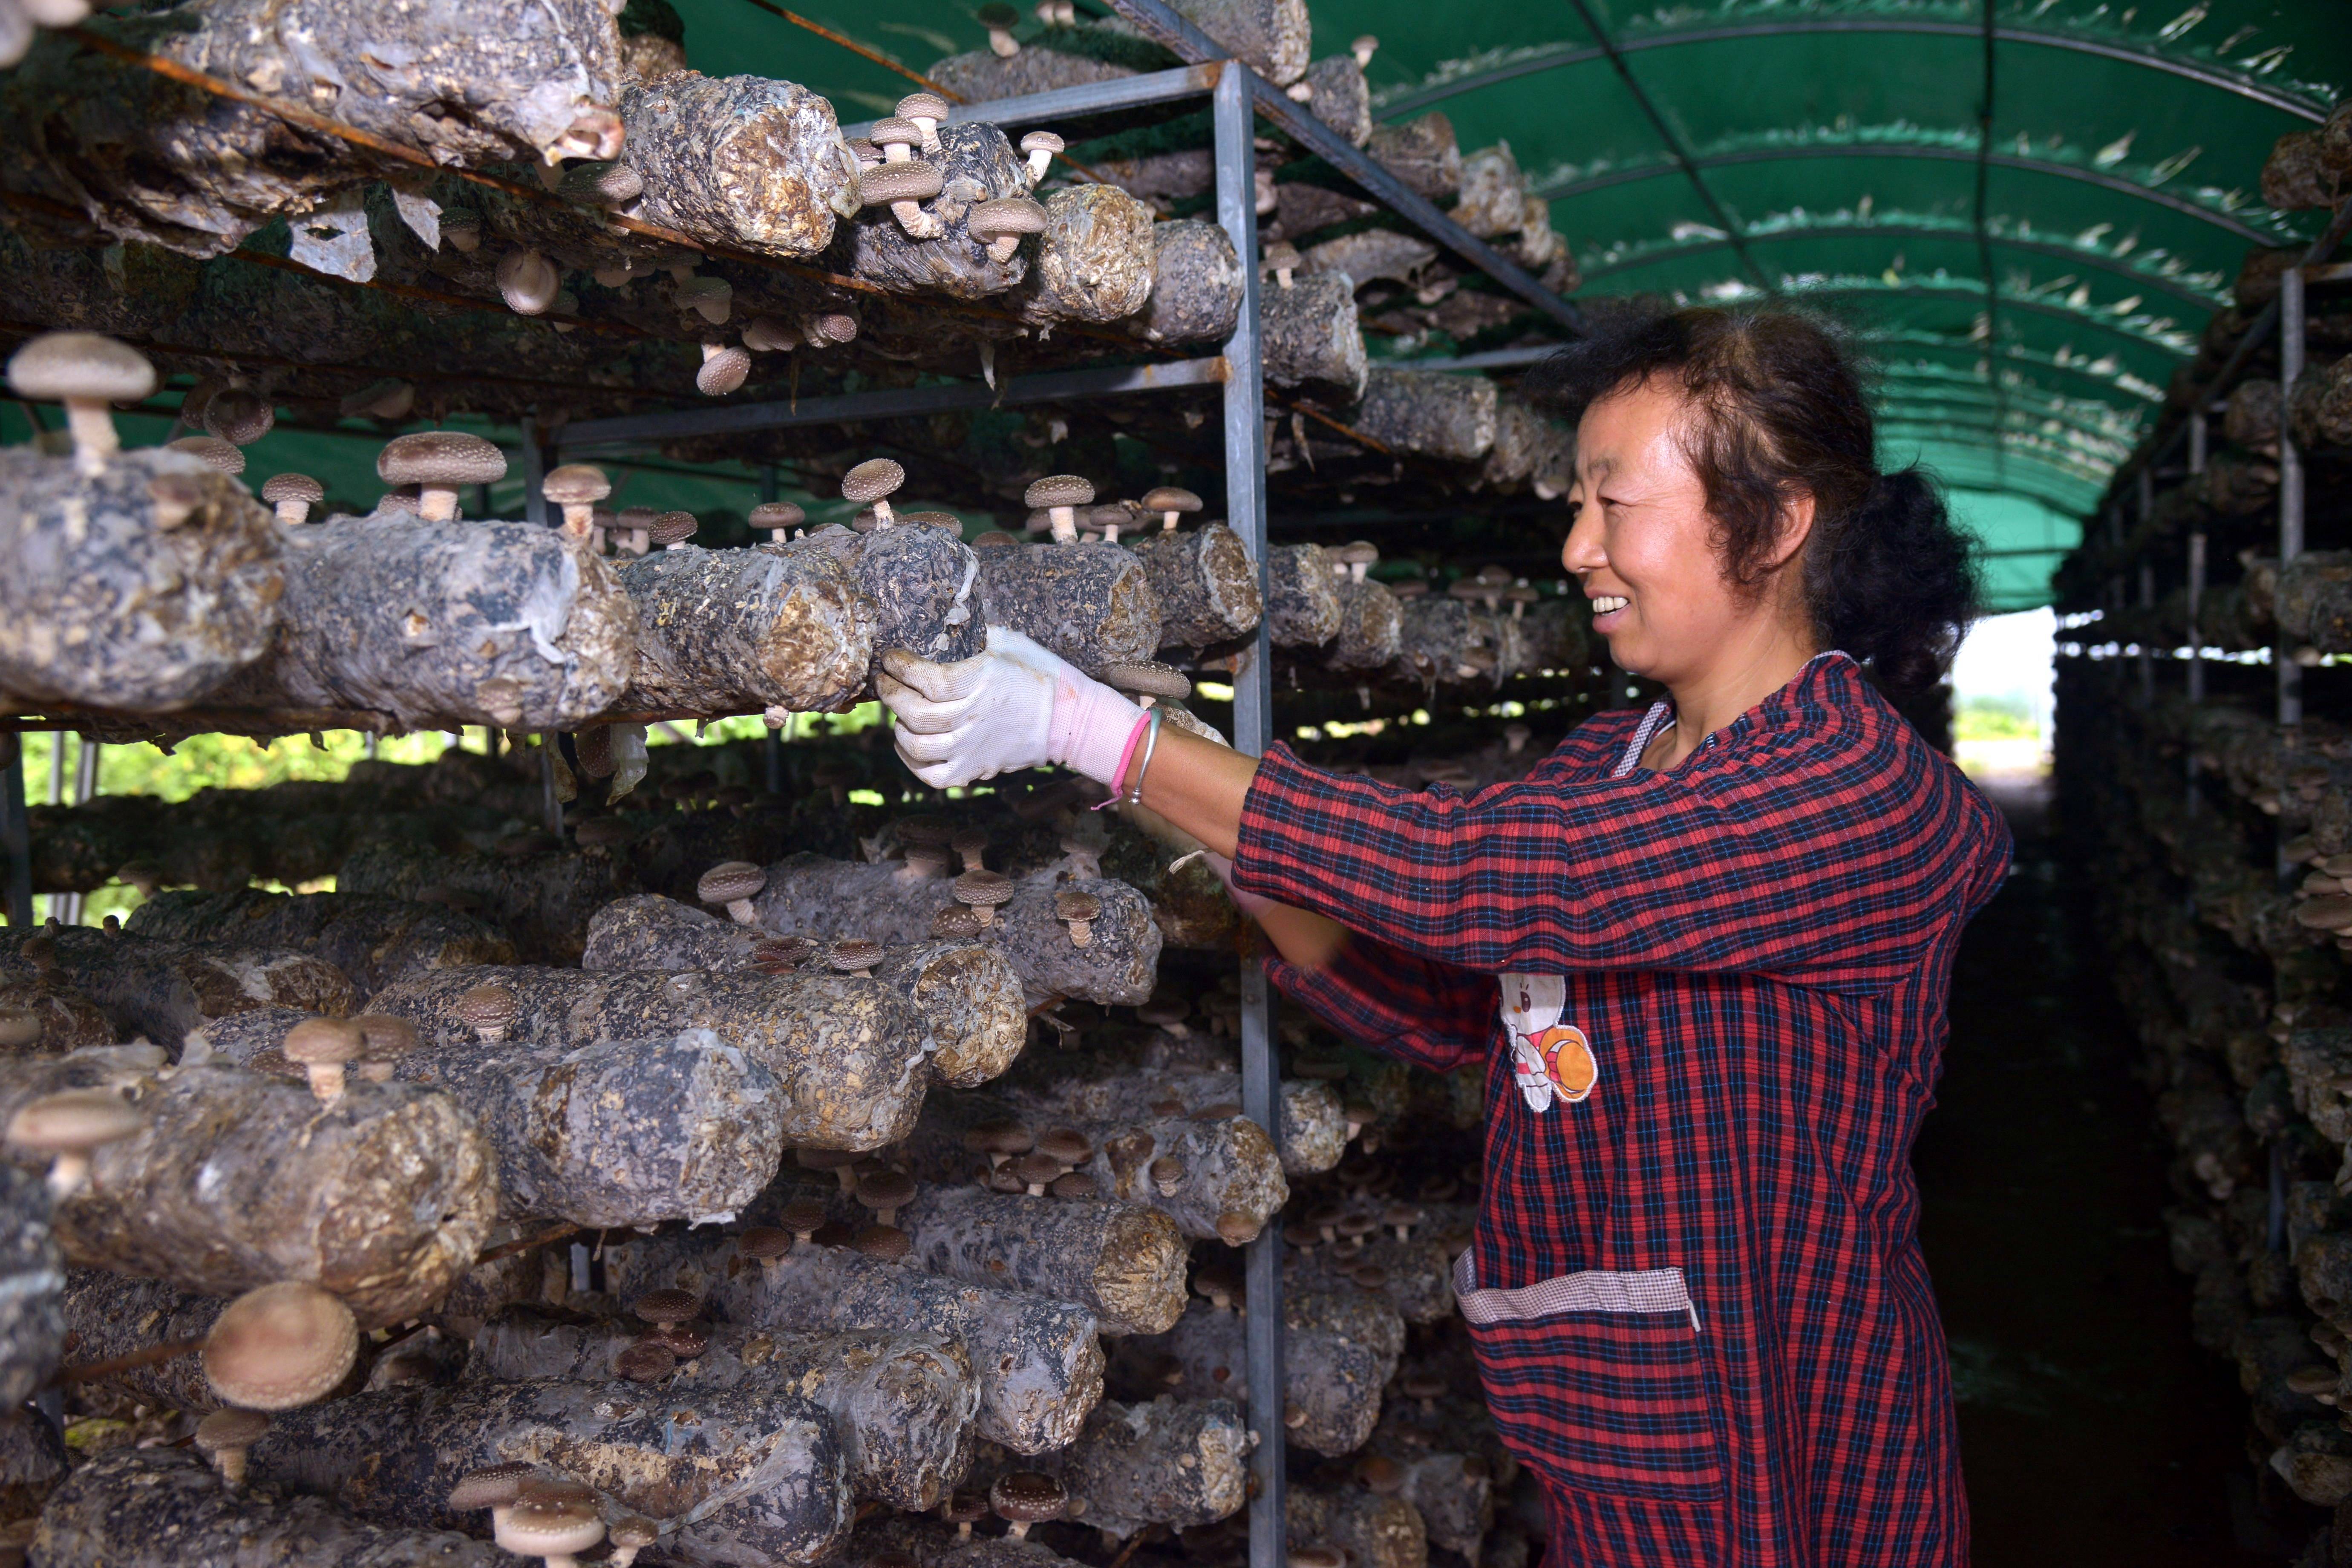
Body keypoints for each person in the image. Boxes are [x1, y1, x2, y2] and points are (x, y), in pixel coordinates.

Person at [879, 304, 2011, 1567]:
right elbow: (1452, 998)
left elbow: (1497, 880)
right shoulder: (1614, 760)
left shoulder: (1851, 793)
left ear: (1777, 522)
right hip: (1622, 1411)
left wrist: (1105, 736)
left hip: (1791, 1414)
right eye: (1577, 503)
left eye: (1615, 502)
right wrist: (1161, 791)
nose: (1578, 545)